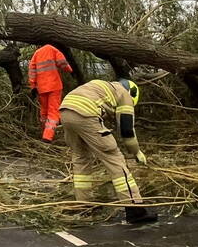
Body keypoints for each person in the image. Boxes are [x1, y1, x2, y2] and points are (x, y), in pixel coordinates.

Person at [59, 77, 157, 224]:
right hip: (86, 113)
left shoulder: (101, 86)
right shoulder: (125, 95)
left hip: (65, 112)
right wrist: (136, 152)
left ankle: (84, 204)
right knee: (114, 158)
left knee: (81, 158)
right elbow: (126, 130)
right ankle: (134, 208)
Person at [27, 44, 72, 142]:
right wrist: (69, 69)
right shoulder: (53, 49)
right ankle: (47, 136)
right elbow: (62, 62)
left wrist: (33, 86)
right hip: (54, 85)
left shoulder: (36, 54)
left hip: (41, 87)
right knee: (53, 111)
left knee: (44, 111)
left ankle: (44, 131)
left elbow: (31, 70)